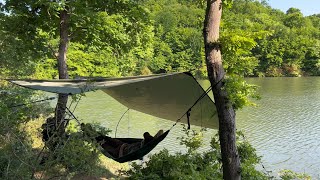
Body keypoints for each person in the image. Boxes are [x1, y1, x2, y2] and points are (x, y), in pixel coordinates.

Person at [81, 123, 163, 158]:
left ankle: (88, 133)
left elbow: (146, 134)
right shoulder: (142, 144)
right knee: (105, 138)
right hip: (123, 145)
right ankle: (89, 131)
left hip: (119, 153)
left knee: (102, 143)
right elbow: (145, 134)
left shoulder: (140, 150)